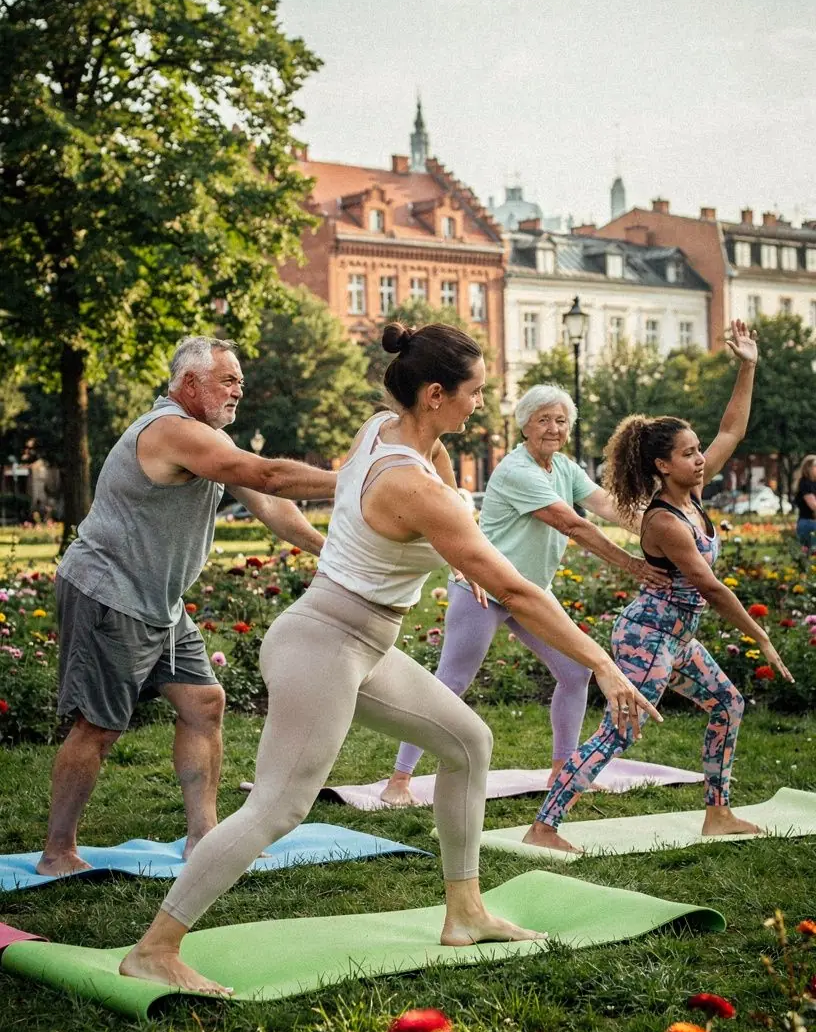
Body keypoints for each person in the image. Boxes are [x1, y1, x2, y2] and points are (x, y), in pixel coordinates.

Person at [120, 321, 660, 994]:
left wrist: (446, 540)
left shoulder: (382, 428)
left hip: (361, 643)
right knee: (279, 808)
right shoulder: (413, 484)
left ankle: (464, 913)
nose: (482, 404)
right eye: (476, 392)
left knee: (468, 741)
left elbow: (418, 501)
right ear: (436, 393)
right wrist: (603, 666)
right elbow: (517, 590)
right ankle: (156, 947)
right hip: (322, 642)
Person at [39, 335, 335, 878]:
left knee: (203, 703)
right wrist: (366, 480)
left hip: (162, 602)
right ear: (189, 383)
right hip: (110, 592)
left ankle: (204, 838)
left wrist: (329, 550)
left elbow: (270, 502)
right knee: (98, 728)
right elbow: (267, 474)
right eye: (228, 380)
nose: (238, 391)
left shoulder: (211, 439)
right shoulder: (172, 432)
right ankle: (58, 851)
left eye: (240, 381)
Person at [521, 320, 792, 853]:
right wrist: (759, 636)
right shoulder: (665, 520)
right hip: (646, 637)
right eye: (689, 453)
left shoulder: (691, 489)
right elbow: (711, 589)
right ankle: (544, 826)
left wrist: (748, 365)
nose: (700, 458)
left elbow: (732, 431)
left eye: (698, 451)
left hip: (678, 639)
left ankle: (719, 812)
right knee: (618, 733)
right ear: (663, 465)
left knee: (726, 704)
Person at [380, 384, 670, 806]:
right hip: (485, 587)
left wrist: (665, 529)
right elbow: (573, 525)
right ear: (525, 426)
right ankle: (398, 781)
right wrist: (635, 566)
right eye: (543, 420)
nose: (553, 428)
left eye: (561, 421)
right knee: (451, 684)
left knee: (575, 671)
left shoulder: (565, 469)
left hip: (531, 592)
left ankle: (563, 770)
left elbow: (609, 507)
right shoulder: (517, 471)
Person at [793, 455, 816, 553]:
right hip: (808, 523)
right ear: (809, 468)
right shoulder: (805, 483)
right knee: (810, 554)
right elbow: (813, 506)